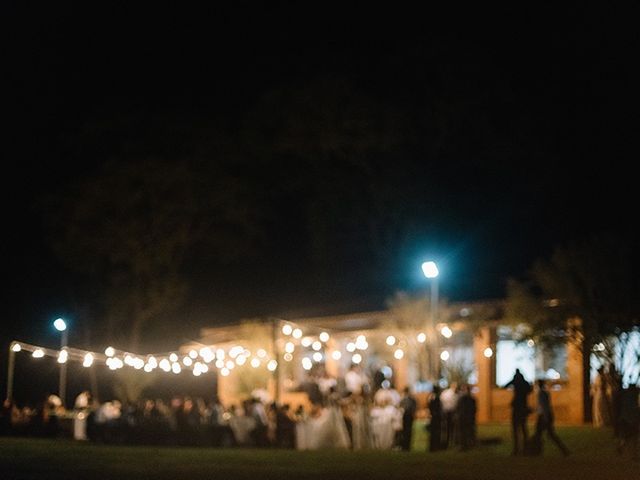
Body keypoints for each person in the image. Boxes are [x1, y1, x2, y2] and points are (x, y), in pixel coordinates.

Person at [532, 379, 570, 456]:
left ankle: (537, 451)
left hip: (543, 416)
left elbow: (543, 406)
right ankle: (564, 450)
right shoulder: (545, 393)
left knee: (541, 434)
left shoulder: (541, 393)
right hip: (547, 415)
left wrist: (545, 417)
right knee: (548, 434)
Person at [503, 368, 532, 455]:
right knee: (523, 428)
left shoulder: (516, 381)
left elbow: (505, 386)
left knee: (516, 429)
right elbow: (530, 390)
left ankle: (516, 449)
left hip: (517, 408)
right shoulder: (525, 383)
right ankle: (525, 449)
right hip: (523, 407)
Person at [456, 383, 477, 450]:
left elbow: (458, 408)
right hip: (469, 418)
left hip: (463, 417)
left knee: (463, 432)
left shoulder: (462, 398)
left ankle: (464, 445)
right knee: (469, 431)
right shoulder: (472, 399)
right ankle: (470, 444)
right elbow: (474, 409)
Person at [440, 382, 458, 448]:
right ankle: (451, 441)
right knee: (451, 428)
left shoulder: (444, 393)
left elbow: (441, 401)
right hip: (451, 412)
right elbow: (456, 404)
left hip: (445, 412)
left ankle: (446, 441)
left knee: (446, 428)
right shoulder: (454, 395)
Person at [399, 386, 417, 451]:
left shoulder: (408, 399)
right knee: (406, 431)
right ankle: (406, 445)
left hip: (408, 416)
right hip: (407, 416)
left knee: (407, 431)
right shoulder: (405, 399)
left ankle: (407, 446)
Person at [427, 386, 443, 452]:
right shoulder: (436, 397)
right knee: (436, 432)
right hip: (436, 417)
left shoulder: (430, 396)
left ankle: (432, 446)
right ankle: (435, 446)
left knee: (433, 432)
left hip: (433, 416)